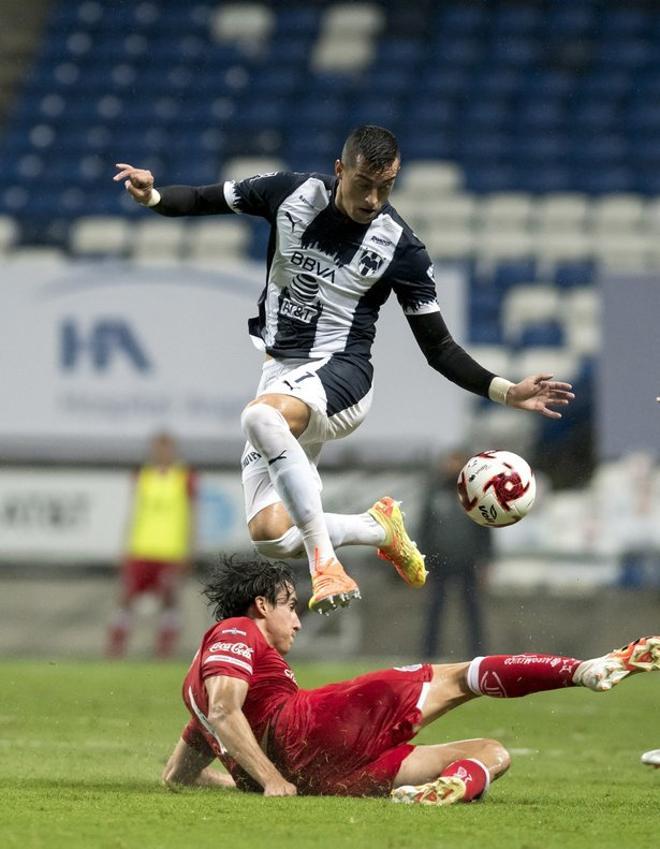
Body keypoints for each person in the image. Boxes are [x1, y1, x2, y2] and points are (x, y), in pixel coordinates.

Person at [114, 125, 575, 615]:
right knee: (270, 535)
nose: (373, 199)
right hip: (282, 374)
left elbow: (438, 346)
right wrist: (153, 195)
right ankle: (377, 528)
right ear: (340, 171)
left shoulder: (402, 248)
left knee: (259, 418)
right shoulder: (289, 193)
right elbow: (204, 199)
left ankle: (324, 565)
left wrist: (506, 391)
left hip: (343, 375)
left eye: (386, 187)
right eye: (363, 184)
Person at [161, 555, 660, 803]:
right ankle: (587, 669)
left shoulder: (196, 697)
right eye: (290, 607)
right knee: (458, 677)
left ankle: (438, 797)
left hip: (323, 777)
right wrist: (269, 781)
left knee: (489, 752)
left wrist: (241, 778)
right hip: (310, 730)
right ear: (261, 605)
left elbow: (178, 775)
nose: (296, 620)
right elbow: (226, 709)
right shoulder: (236, 629)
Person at [106, 431, 197, 658]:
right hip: (141, 548)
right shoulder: (143, 475)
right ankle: (115, 649)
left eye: (166, 448)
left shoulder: (184, 477)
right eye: (158, 448)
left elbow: (192, 516)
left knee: (169, 600)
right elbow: (134, 514)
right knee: (126, 599)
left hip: (170, 550)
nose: (162, 453)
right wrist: (125, 546)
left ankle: (163, 652)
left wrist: (190, 549)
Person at [418, 449, 492, 659]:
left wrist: (485, 562)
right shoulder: (434, 493)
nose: (451, 468)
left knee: (472, 611)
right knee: (434, 610)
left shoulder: (473, 495)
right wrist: (422, 561)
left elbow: (484, 529)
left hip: (467, 562)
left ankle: (477, 653)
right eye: (449, 462)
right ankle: (429, 653)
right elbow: (425, 529)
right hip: (439, 563)